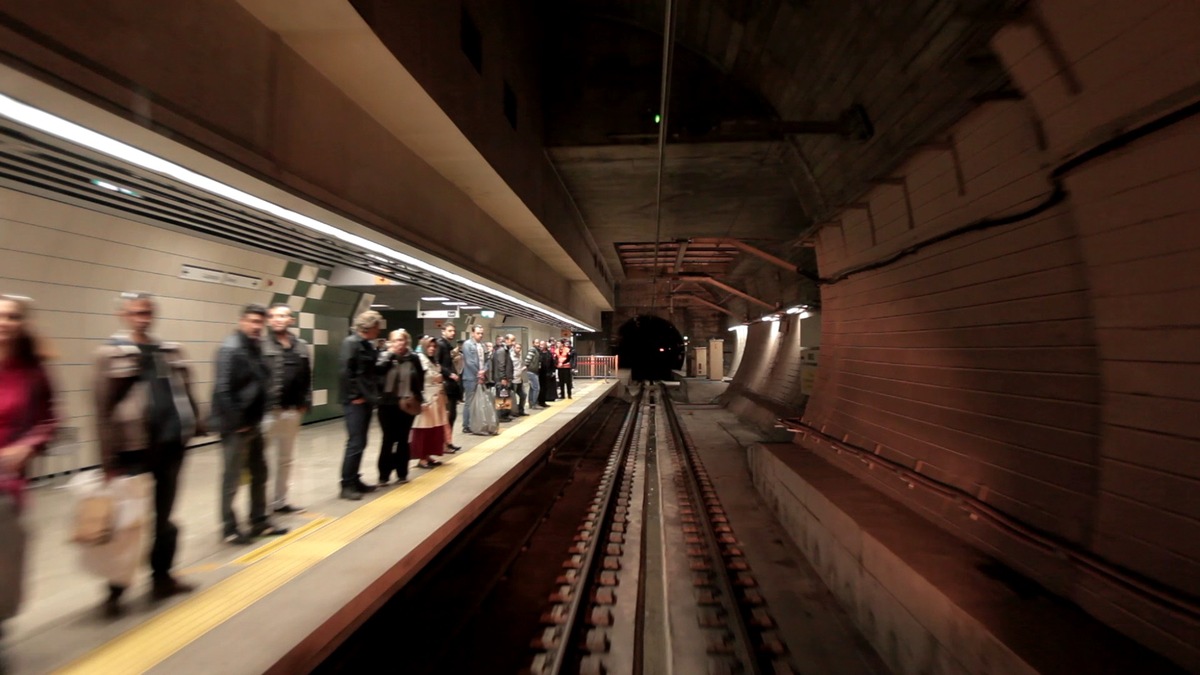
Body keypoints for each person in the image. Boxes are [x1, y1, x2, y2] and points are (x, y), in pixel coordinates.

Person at [93, 291, 202, 615]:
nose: (143, 317)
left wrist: (196, 422)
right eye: (136, 312)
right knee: (127, 524)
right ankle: (116, 589)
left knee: (165, 519)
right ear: (124, 315)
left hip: (170, 446)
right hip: (133, 451)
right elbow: (101, 409)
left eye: (147, 312)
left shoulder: (168, 351)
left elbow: (186, 390)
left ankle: (162, 576)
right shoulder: (109, 354)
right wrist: (107, 458)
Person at [0, 295, 55, 644]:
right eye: (0, 316)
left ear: (23, 324)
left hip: (5, 487)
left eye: (12, 317)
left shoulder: (33, 372)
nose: (5, 322)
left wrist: (29, 444)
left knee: (4, 569)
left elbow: (50, 418)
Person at [213, 304, 287, 545]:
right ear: (242, 321)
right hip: (236, 426)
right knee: (232, 478)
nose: (257, 327)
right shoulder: (230, 349)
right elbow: (223, 390)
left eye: (260, 322)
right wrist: (238, 422)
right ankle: (229, 528)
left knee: (260, 473)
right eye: (253, 321)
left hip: (253, 423)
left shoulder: (255, 347)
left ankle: (259, 521)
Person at [261, 303, 312, 515]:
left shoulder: (300, 346)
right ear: (269, 320)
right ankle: (260, 506)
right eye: (274, 316)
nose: (278, 319)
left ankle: (280, 501)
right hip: (268, 411)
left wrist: (305, 402)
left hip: (291, 411)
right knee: (260, 460)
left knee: (285, 459)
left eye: (283, 316)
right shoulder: (261, 346)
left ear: (291, 320)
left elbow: (307, 376)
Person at [339, 311, 384, 499]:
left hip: (365, 400)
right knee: (355, 443)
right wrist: (354, 395)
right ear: (370, 327)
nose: (379, 330)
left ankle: (355, 479)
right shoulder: (351, 343)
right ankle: (346, 484)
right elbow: (345, 372)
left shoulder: (366, 344)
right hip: (355, 401)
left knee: (361, 442)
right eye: (377, 327)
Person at [375, 329, 422, 489]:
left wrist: (416, 396)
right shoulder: (384, 356)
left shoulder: (413, 358)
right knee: (388, 439)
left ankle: (402, 473)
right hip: (387, 404)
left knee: (403, 439)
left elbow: (419, 379)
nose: (399, 344)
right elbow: (377, 373)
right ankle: (383, 475)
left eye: (401, 340)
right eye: (395, 341)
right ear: (390, 342)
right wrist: (389, 356)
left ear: (406, 342)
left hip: (407, 403)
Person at [411, 337, 449, 469]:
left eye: (434, 346)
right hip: (426, 399)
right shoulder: (419, 360)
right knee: (424, 429)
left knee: (434, 429)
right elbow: (416, 381)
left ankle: (428, 455)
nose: (432, 348)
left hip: (437, 399)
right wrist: (420, 399)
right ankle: (422, 458)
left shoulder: (433, 360)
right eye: (429, 346)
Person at [434, 324, 462, 453]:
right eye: (450, 331)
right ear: (443, 331)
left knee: (452, 415)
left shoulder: (447, 345)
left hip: (451, 385)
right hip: (446, 385)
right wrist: (449, 374)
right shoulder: (440, 345)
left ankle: (448, 441)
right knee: (448, 415)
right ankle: (445, 444)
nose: (452, 333)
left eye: (453, 331)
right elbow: (438, 364)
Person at [460, 325, 487, 435]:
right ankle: (466, 425)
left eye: (481, 333)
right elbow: (469, 361)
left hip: (480, 376)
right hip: (470, 377)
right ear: (472, 333)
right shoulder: (467, 345)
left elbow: (487, 360)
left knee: (479, 401)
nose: (480, 335)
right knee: (469, 402)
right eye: (478, 333)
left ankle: (475, 422)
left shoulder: (482, 345)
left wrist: (484, 370)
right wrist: (479, 374)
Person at [490, 335, 514, 422]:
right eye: (512, 340)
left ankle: (505, 414)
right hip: (501, 379)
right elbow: (501, 365)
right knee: (501, 396)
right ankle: (501, 416)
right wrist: (503, 377)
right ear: (506, 340)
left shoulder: (505, 350)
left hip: (505, 378)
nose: (513, 343)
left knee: (505, 396)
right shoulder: (502, 351)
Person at [523, 339, 542, 410]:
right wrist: (526, 365)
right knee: (536, 388)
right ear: (533, 343)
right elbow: (528, 358)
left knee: (532, 387)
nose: (538, 344)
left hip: (533, 371)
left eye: (538, 342)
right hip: (532, 371)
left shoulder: (537, 350)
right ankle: (534, 403)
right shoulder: (532, 350)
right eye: (536, 343)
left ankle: (531, 403)